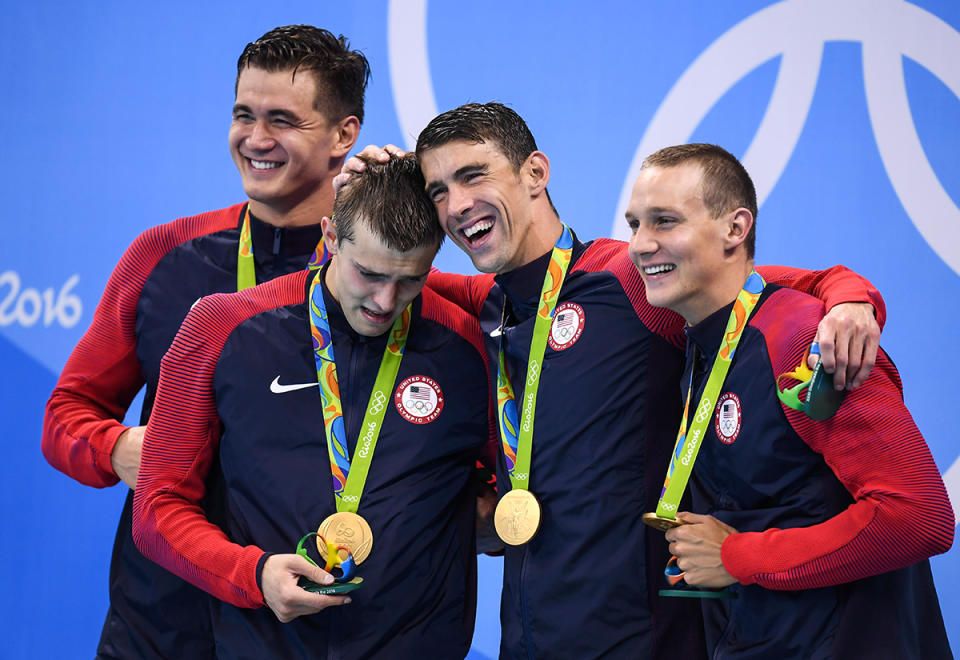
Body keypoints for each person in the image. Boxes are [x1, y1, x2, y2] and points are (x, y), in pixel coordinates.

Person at [342, 102, 887, 659]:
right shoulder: (485, 306)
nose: (456, 205)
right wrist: (368, 191)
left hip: (643, 641)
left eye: (473, 175)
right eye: (438, 191)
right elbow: (369, 271)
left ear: (535, 173)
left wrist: (849, 296)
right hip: (526, 641)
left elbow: (760, 286)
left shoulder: (629, 278)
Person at [41, 25, 367, 659]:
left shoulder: (378, 283)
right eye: (243, 114)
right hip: (157, 626)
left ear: (344, 135)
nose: (255, 139)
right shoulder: (164, 255)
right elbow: (66, 416)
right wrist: (121, 449)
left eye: (282, 120)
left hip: (302, 631)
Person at [132, 153, 495, 658]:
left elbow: (513, 481)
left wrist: (492, 515)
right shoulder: (221, 327)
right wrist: (253, 575)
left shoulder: (468, 344)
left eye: (410, 279)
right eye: (368, 273)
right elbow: (156, 509)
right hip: (263, 644)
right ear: (330, 237)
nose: (385, 303)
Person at [627, 143, 953, 658]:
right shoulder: (691, 322)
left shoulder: (804, 342)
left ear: (736, 229)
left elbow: (917, 517)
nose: (641, 245)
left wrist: (739, 555)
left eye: (665, 222)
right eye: (635, 224)